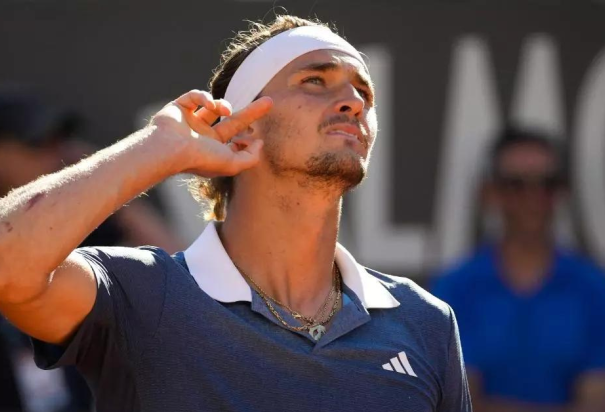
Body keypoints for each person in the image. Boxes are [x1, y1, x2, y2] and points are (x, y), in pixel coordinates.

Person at [0, 15, 471, 411]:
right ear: (240, 129)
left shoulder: (426, 322)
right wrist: (153, 150)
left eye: (363, 94)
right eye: (315, 80)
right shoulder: (138, 292)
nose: (354, 102)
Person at [0, 88, 183, 411]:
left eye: (59, 141)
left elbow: (175, 282)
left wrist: (103, 184)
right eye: (36, 144)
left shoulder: (77, 228)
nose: (53, 154)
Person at [432, 127, 605, 412]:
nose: (533, 197)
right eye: (516, 184)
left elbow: (597, 401)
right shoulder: (455, 290)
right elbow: (459, 402)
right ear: (491, 193)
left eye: (546, 183)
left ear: (562, 192)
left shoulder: (593, 289)